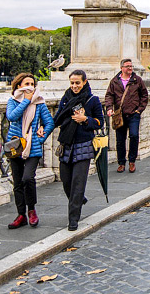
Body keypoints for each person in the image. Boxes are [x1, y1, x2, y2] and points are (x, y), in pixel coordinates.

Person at [53, 70, 104, 231]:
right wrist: (42, 128)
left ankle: (73, 219)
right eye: (72, 83)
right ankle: (79, 199)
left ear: (84, 82)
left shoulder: (92, 100)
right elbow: (57, 119)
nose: (74, 86)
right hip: (66, 144)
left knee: (78, 183)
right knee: (66, 181)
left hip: (84, 145)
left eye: (77, 83)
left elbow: (100, 123)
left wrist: (85, 119)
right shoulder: (66, 98)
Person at [5, 73, 55, 228]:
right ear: (19, 85)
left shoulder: (39, 102)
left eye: (32, 84)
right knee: (18, 182)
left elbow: (49, 123)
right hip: (15, 147)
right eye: (26, 83)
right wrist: (26, 101)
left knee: (28, 178)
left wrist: (40, 138)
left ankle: (31, 210)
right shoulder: (13, 101)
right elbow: (12, 117)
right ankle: (21, 215)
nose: (30, 87)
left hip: (32, 148)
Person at [105, 59, 149, 173]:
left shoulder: (137, 80)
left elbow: (144, 95)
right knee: (120, 139)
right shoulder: (115, 81)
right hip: (120, 115)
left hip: (134, 114)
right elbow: (109, 96)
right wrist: (109, 108)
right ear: (121, 68)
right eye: (127, 66)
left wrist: (139, 110)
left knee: (134, 136)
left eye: (131, 66)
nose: (130, 68)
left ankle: (132, 161)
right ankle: (121, 163)